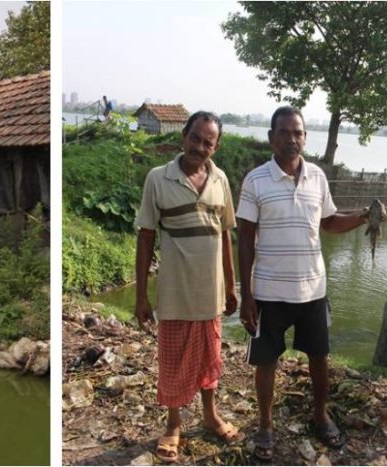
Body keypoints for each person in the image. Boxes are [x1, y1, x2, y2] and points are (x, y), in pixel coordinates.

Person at [237, 106, 370, 461]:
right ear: (271, 138)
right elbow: (245, 240)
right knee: (266, 362)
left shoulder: (317, 177)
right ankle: (265, 424)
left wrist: (362, 217)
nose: (292, 139)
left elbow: (328, 223)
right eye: (284, 132)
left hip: (313, 289)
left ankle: (320, 414)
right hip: (268, 291)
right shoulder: (255, 181)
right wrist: (245, 294)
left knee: (319, 357)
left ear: (305, 138)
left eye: (298, 133)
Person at [135, 111, 240, 464]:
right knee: (173, 361)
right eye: (195, 138)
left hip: (210, 293)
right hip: (175, 293)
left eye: (208, 142)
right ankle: (174, 423)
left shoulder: (220, 179)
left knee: (211, 357)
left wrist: (231, 286)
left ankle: (210, 416)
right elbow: (146, 236)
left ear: (216, 146)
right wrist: (140, 296)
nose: (200, 147)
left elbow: (225, 235)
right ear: (184, 136)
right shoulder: (157, 178)